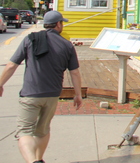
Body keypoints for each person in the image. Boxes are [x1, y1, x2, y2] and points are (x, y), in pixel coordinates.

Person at [0, 11, 83, 163]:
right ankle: (39, 159)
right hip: (52, 95)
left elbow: (12, 65)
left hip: (31, 94)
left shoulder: (30, 39)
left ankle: (33, 161)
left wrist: (0, 84)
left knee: (24, 132)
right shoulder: (66, 45)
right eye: (62, 23)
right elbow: (75, 73)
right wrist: (78, 94)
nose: (62, 25)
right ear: (58, 24)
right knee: (43, 130)